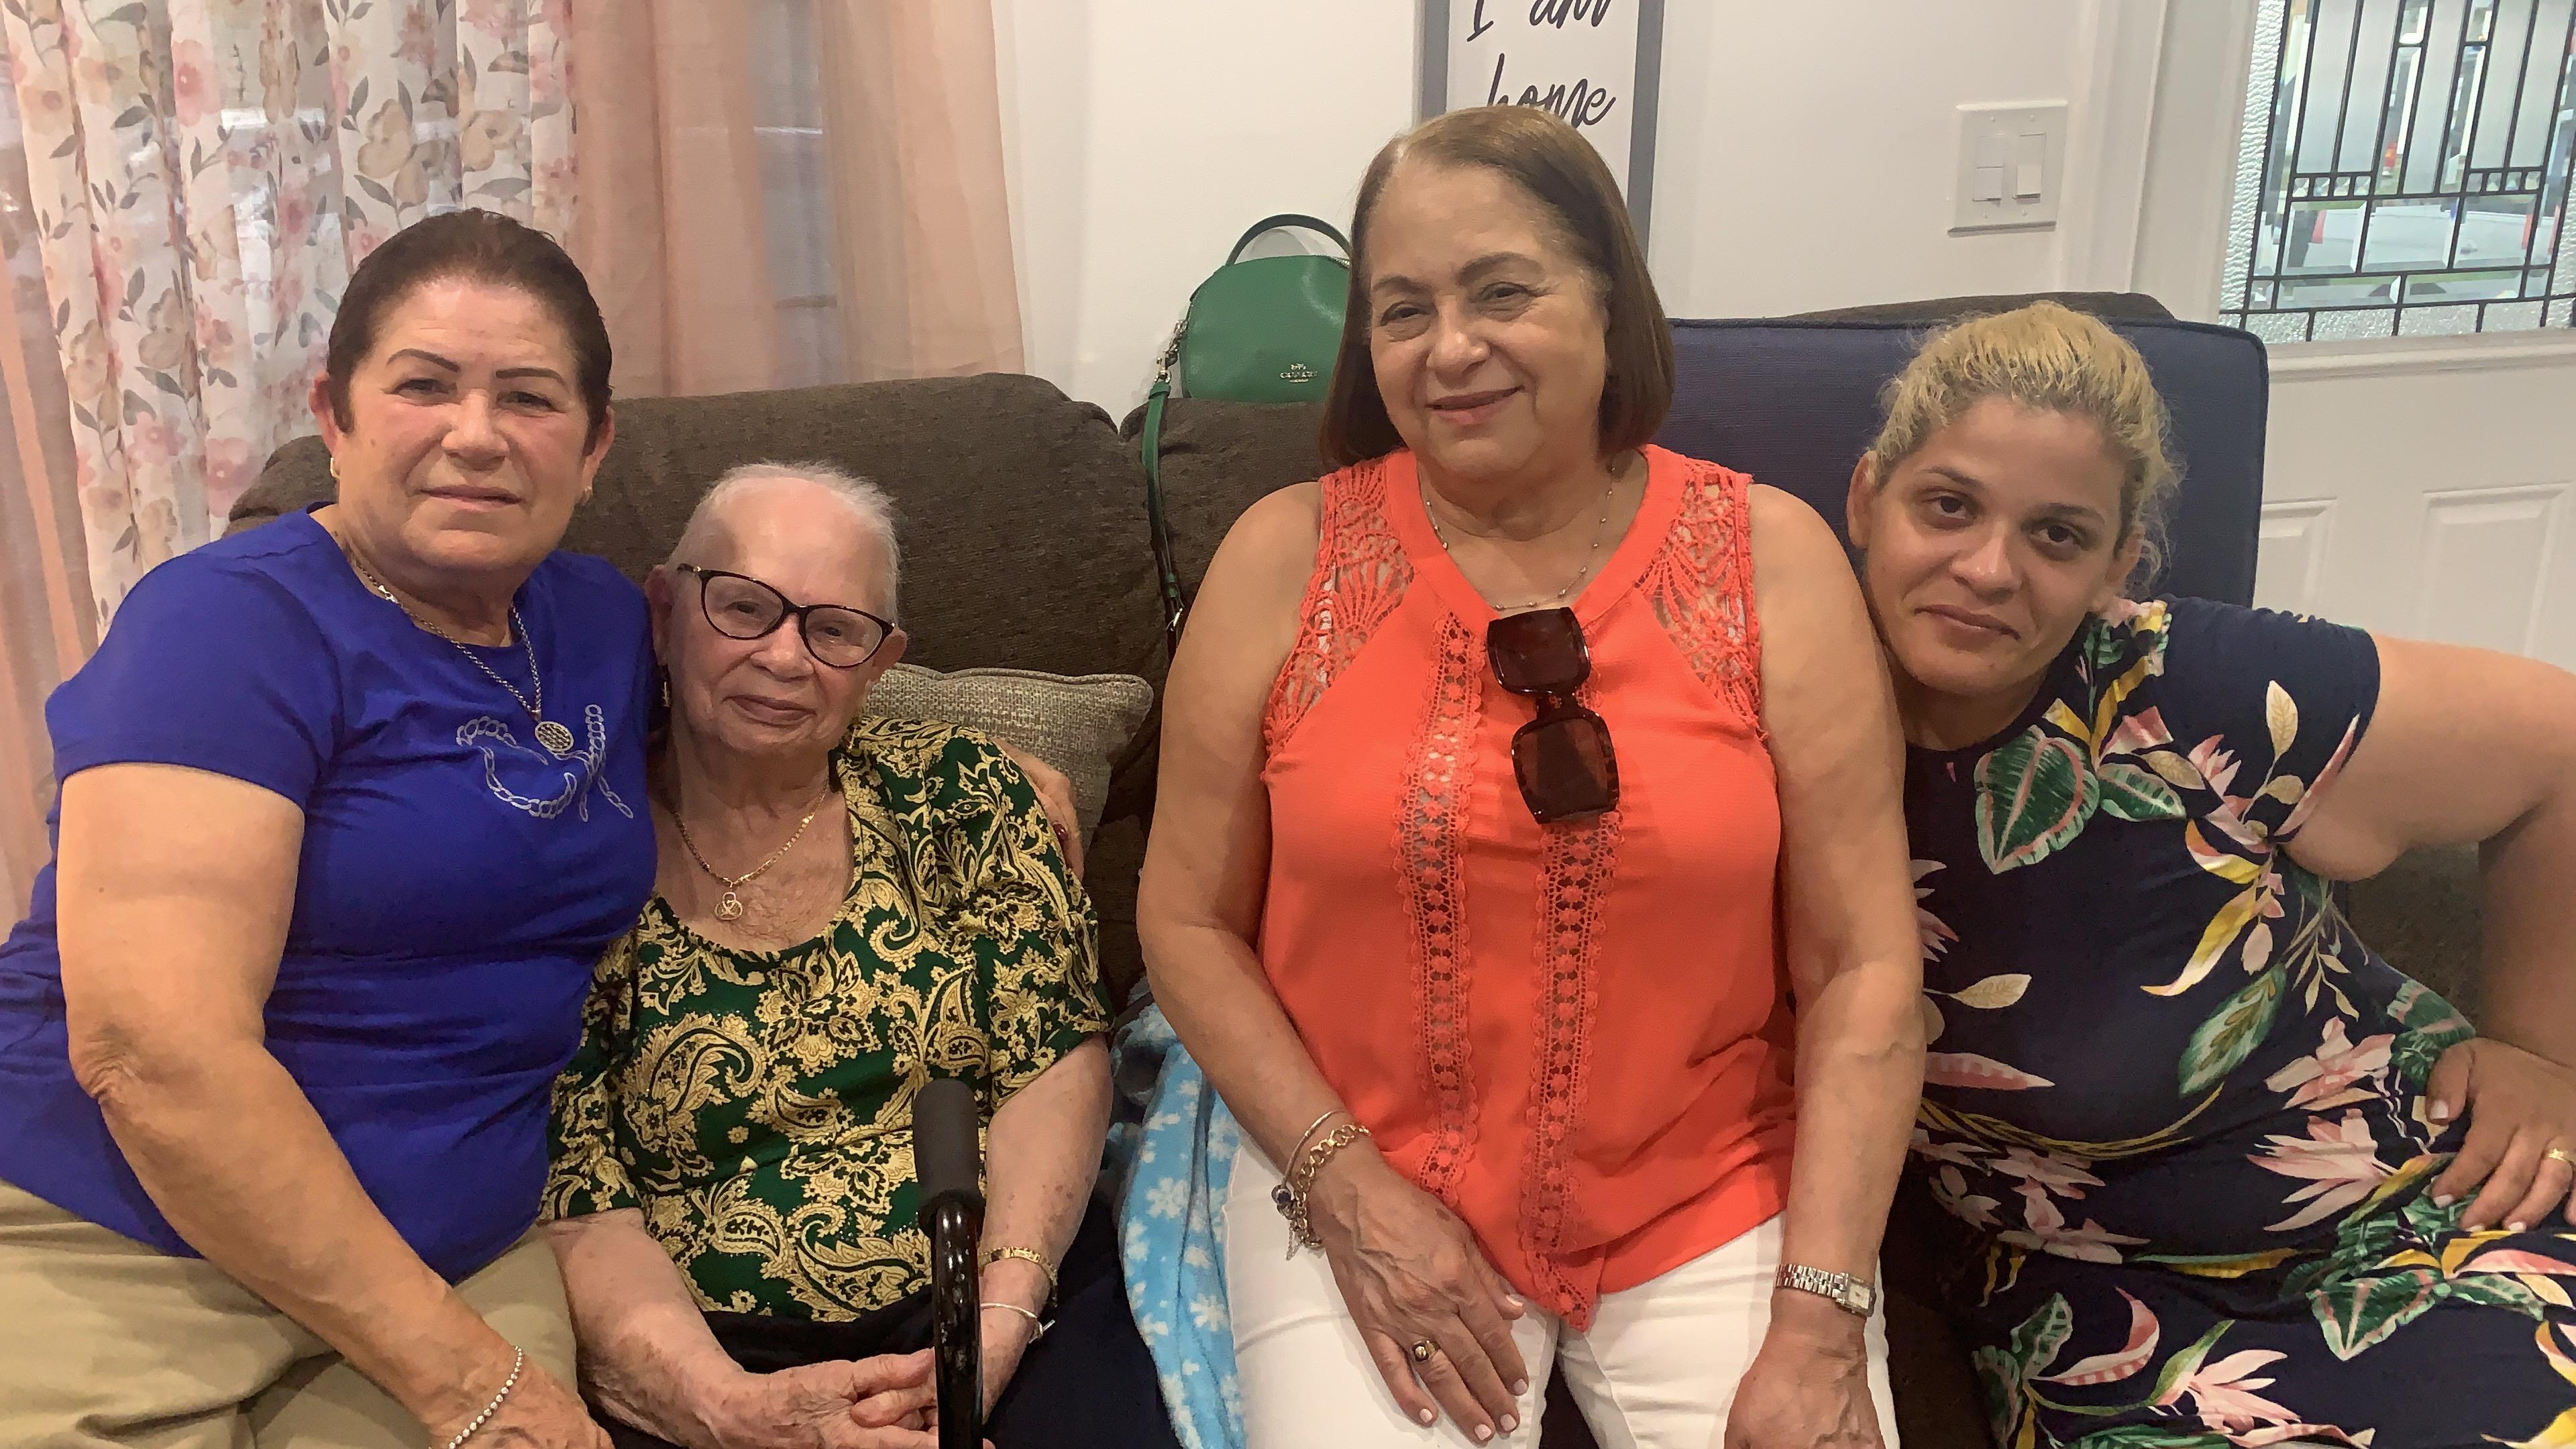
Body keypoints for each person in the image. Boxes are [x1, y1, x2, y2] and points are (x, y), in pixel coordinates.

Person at [1139, 107, 1926, 1448]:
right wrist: (1346, 1188)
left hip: (1705, 1191)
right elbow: (1184, 920)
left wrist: (1822, 1312)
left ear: (1610, 303)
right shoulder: (1284, 558)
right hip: (1360, 1174)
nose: (1449, 349)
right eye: (1403, 310)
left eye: (1502, 292)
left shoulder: (1772, 559)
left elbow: (1862, 963)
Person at [1851, 301, 2576, 1443]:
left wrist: (2544, 1053)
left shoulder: (2201, 688)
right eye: (1948, 506)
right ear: (1866, 500)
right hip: (2103, 1300)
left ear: (2116, 566)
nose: (1987, 569)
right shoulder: (1784, 714)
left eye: (2057, 536)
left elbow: (2560, 748)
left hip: (2414, 1209)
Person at [0, 210, 644, 1448]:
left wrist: (985, 771)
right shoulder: (226, 627)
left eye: (528, 397)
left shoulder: (603, 622)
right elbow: (150, 1056)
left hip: (459, 1252)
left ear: (594, 444)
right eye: (424, 386)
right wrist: (475, 1387)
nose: (476, 433)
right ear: (333, 417)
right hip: (118, 1239)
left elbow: (774, 699)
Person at [541, 463, 1178, 1449]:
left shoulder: (961, 796)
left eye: (835, 630)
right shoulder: (567, 854)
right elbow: (581, 1195)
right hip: (703, 1346)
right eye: (743, 607)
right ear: (663, 612)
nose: (784, 658)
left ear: (882, 663)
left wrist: (993, 1329)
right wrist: (732, 1413)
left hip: (1005, 1287)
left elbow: (1054, 1063)